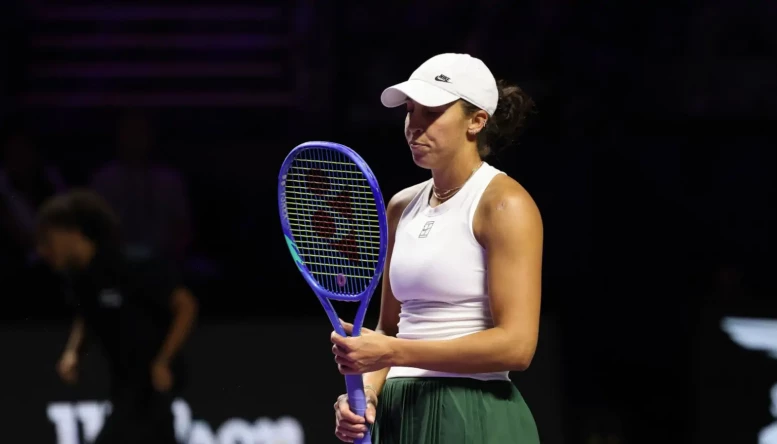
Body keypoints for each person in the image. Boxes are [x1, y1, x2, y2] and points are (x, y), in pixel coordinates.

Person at [331, 53, 543, 443]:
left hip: (474, 410)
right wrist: (368, 395)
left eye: (431, 112)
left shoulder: (505, 204)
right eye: (410, 111)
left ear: (477, 121)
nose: (414, 126)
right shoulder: (400, 206)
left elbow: (517, 346)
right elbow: (390, 328)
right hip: (398, 412)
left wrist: (392, 352)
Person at [36, 189, 198, 444]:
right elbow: (87, 315)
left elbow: (186, 305)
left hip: (151, 391)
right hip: (124, 391)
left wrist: (164, 360)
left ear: (73, 232)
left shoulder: (131, 265)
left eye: (48, 238)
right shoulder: (81, 279)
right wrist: (73, 352)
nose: (43, 250)